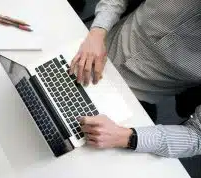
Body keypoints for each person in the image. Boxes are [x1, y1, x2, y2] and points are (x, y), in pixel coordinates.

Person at [70, 0, 201, 157]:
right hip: (94, 48)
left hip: (134, 99)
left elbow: (197, 136)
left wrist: (127, 137)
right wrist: (97, 32)